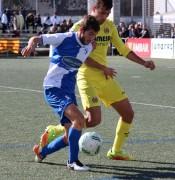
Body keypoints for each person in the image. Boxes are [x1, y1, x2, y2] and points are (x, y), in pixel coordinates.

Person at [36, 0, 155, 161]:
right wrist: (102, 68)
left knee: (128, 113)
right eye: (102, 12)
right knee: (93, 120)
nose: (105, 16)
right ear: (94, 9)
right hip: (86, 77)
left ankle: (116, 151)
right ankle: (57, 130)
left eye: (107, 13)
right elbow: (78, 58)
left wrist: (144, 62)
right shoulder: (79, 26)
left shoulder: (109, 26)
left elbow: (122, 49)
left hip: (104, 76)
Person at [21, 15, 100, 171]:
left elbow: (86, 54)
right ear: (82, 30)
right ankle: (73, 162)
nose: (92, 38)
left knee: (68, 135)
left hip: (68, 91)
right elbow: (36, 38)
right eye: (90, 34)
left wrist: (98, 60)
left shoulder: (90, 45)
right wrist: (31, 45)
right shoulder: (64, 38)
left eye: (94, 35)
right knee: (79, 120)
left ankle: (42, 152)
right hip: (54, 88)